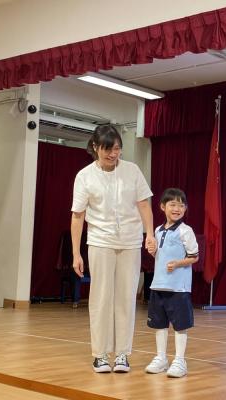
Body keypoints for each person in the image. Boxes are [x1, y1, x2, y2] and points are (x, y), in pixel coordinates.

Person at [71, 124, 156, 373]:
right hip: (100, 241)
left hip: (130, 242)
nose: (113, 154)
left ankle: (122, 354)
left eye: (117, 149)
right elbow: (78, 215)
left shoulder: (132, 170)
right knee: (101, 297)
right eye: (107, 149)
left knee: (126, 298)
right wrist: (76, 253)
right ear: (95, 147)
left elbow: (144, 205)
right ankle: (100, 354)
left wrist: (150, 234)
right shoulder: (85, 176)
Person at [144, 188, 199, 378]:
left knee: (180, 325)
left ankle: (180, 360)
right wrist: (152, 251)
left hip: (178, 287)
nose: (177, 209)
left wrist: (177, 263)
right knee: (159, 324)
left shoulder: (186, 231)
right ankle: (161, 358)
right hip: (158, 285)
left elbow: (194, 256)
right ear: (162, 207)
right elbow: (158, 256)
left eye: (181, 205)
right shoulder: (157, 231)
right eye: (172, 204)